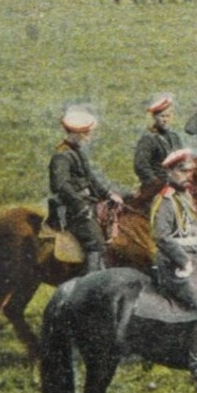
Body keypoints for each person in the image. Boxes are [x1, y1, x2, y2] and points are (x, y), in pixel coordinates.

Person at [150, 149, 197, 385]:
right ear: (170, 172)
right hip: (174, 263)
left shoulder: (186, 196)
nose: (188, 176)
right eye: (183, 171)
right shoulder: (163, 200)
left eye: (191, 171)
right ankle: (196, 363)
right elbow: (161, 236)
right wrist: (183, 259)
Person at [48, 108, 124, 275]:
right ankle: (91, 284)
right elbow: (61, 186)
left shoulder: (76, 151)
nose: (88, 137)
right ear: (76, 133)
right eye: (86, 133)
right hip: (72, 209)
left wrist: (108, 194)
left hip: (85, 203)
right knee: (95, 242)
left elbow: (90, 178)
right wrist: (81, 206)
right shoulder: (61, 156)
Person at [133, 93, 186, 189]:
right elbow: (141, 166)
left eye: (168, 116)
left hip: (176, 183)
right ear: (155, 117)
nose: (165, 120)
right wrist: (156, 183)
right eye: (162, 116)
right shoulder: (148, 139)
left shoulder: (175, 137)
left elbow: (181, 162)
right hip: (156, 187)